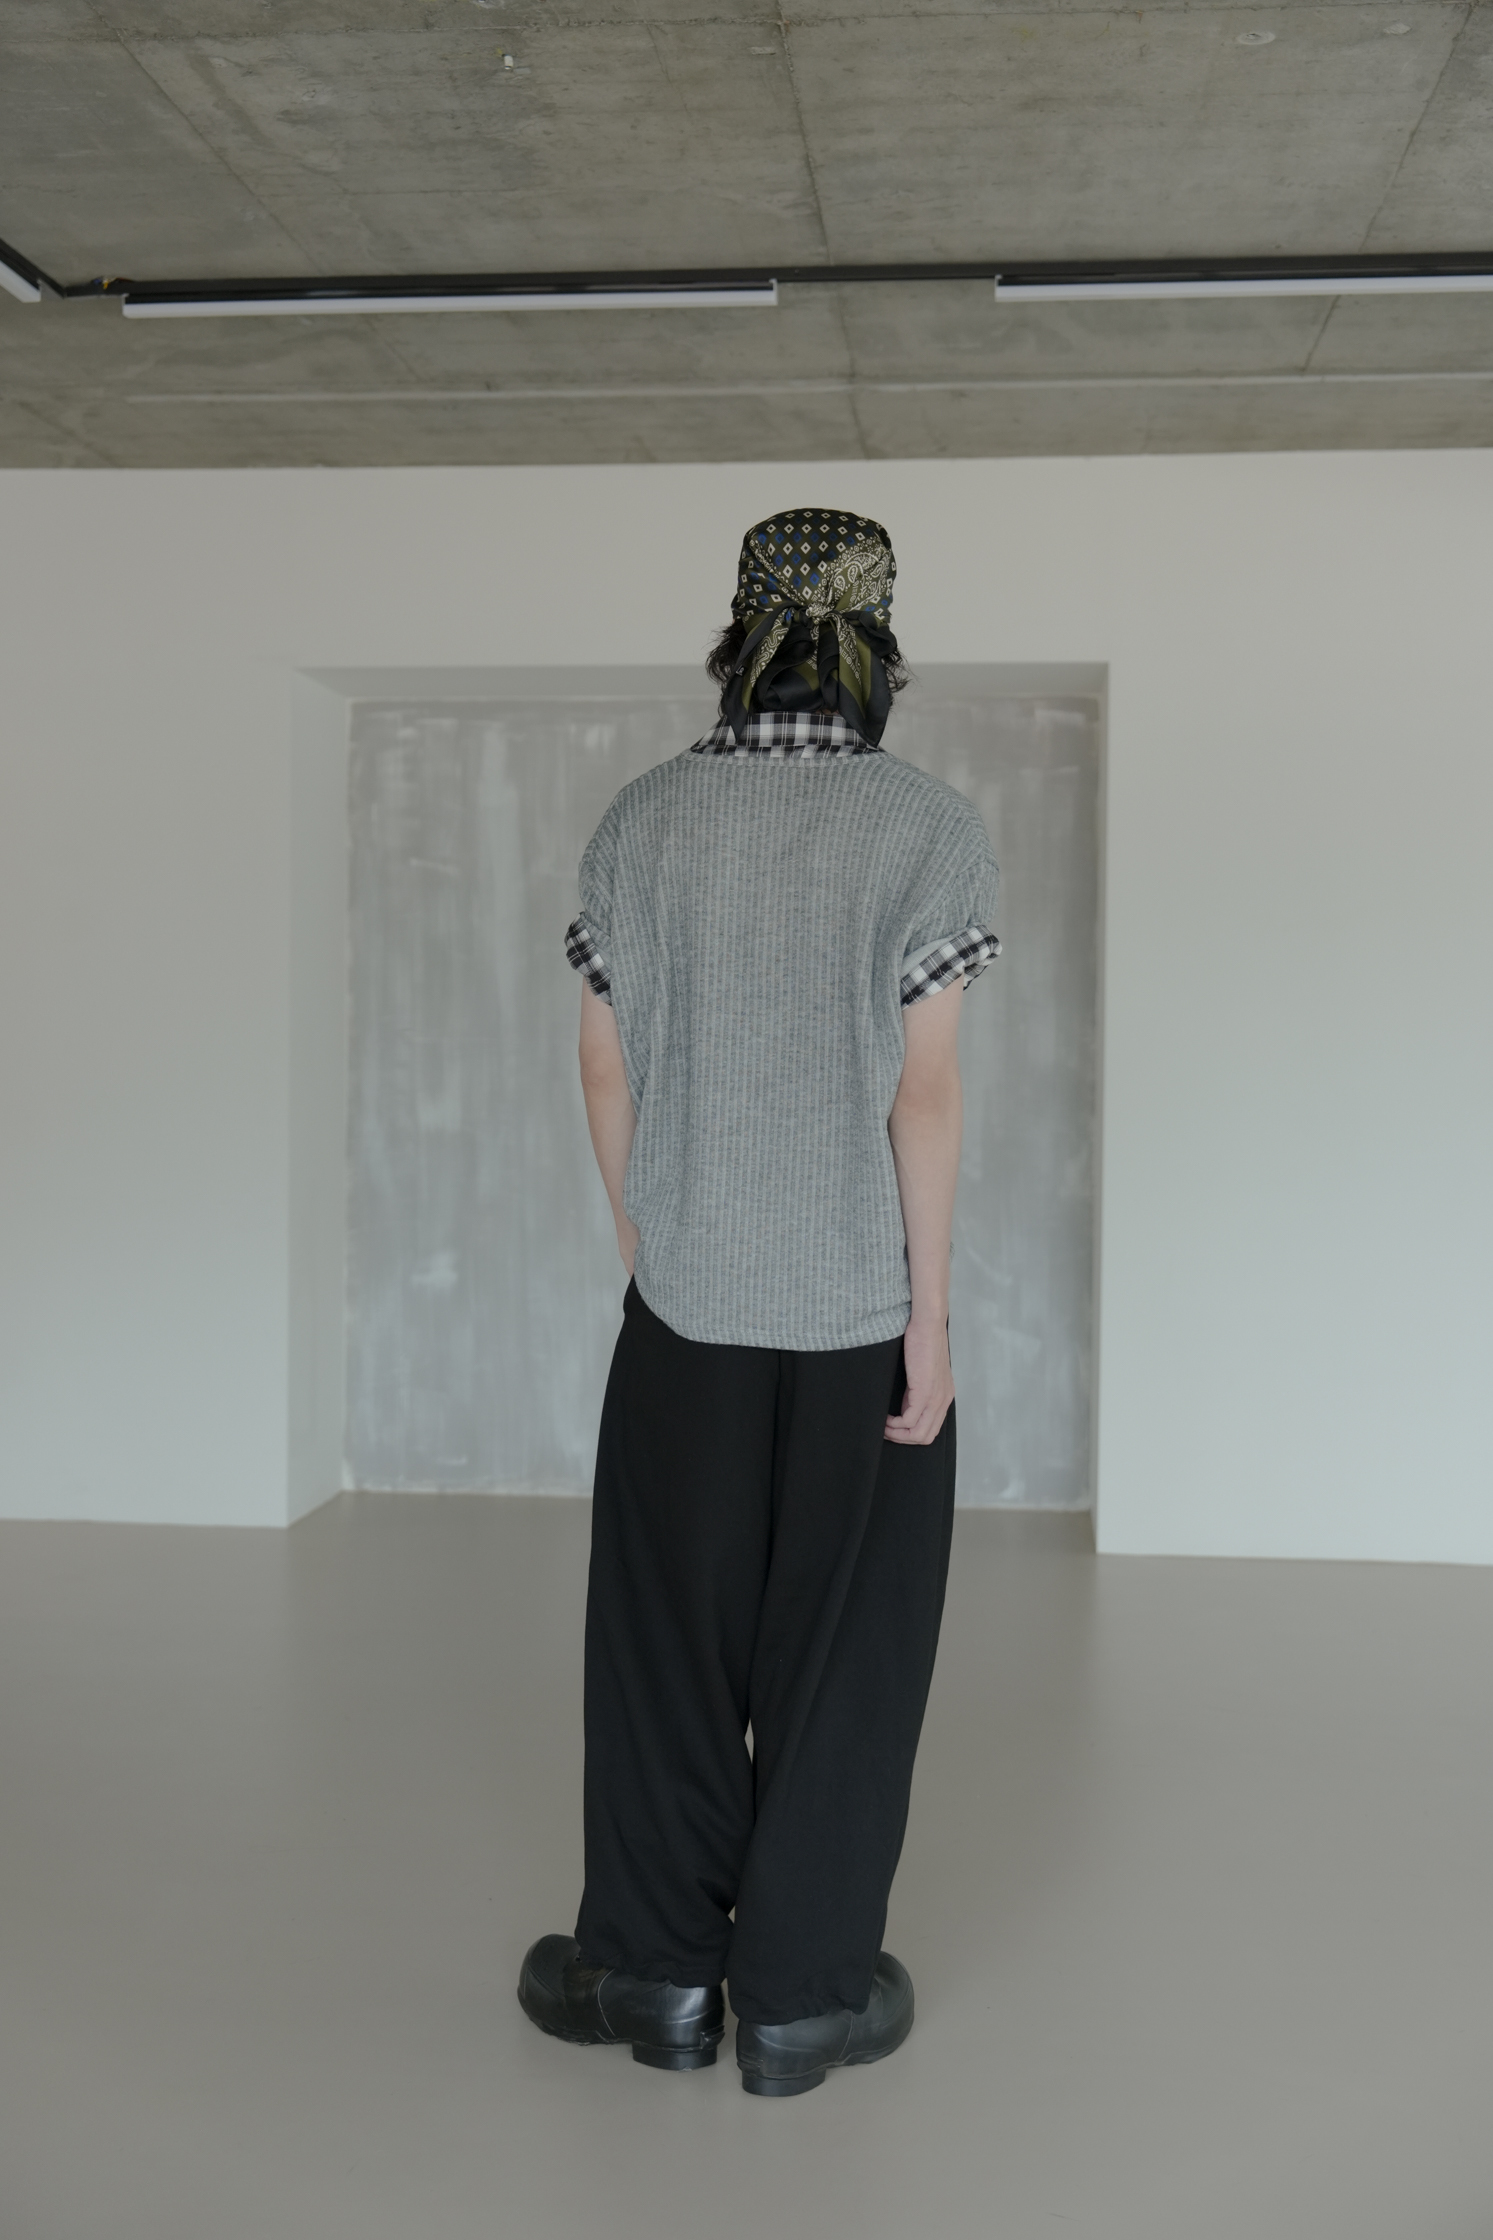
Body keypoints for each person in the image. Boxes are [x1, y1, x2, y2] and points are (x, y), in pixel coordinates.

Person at [518, 507, 999, 2097]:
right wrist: (928, 1322)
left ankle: (656, 1979)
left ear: (737, 635)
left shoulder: (643, 819)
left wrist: (645, 1234)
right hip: (860, 1314)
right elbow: (921, 1096)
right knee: (846, 1653)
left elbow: (602, 1063)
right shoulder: (927, 827)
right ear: (877, 643)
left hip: (689, 1312)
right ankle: (798, 2001)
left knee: (663, 1643)